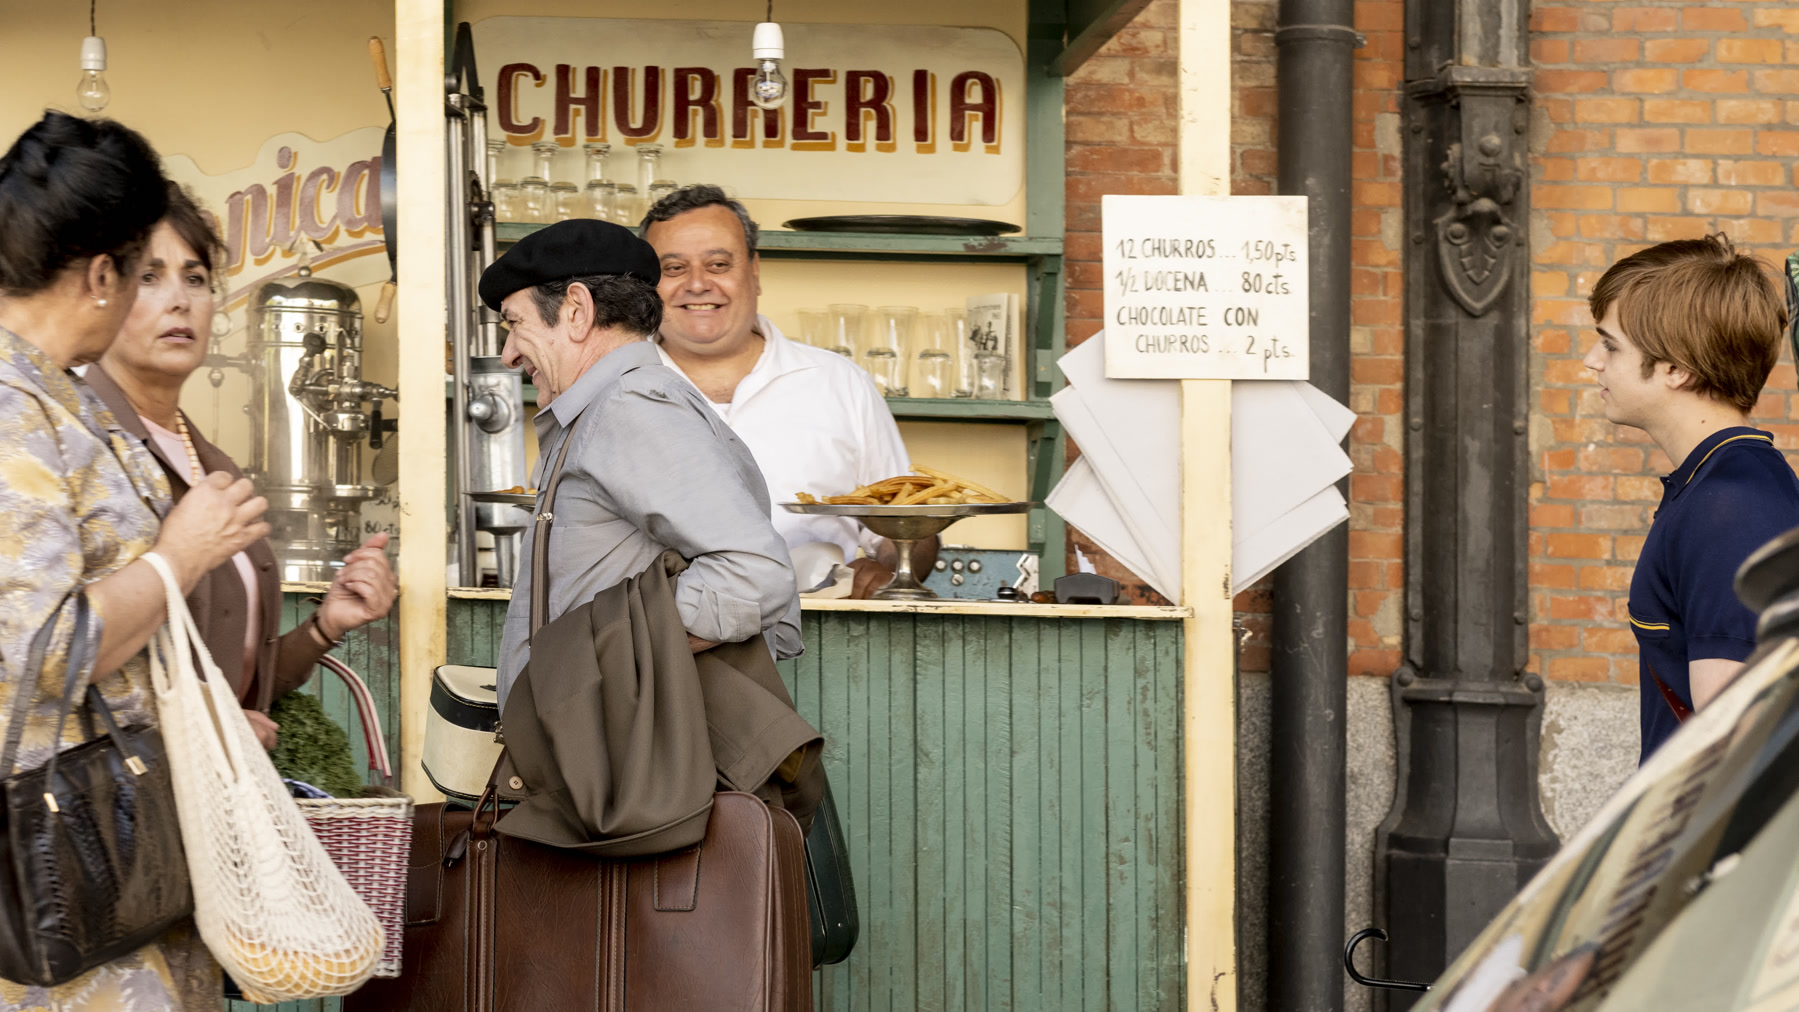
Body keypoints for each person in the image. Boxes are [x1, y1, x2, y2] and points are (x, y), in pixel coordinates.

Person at [0, 111, 269, 1009]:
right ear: (101, 275)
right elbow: (37, 653)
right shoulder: (10, 406)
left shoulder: (55, 391)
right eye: (142, 272)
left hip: (119, 860)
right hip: (65, 874)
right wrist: (179, 555)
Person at [85, 183, 397, 751]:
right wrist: (205, 729)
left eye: (195, 278)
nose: (179, 300)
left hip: (205, 798)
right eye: (149, 276)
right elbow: (49, 664)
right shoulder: (80, 444)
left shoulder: (212, 464)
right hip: (115, 801)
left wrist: (325, 626)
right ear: (101, 291)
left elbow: (239, 685)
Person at [481, 218, 801, 707]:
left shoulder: (630, 407)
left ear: (576, 311)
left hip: (616, 743)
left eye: (514, 323)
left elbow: (754, 574)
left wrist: (599, 662)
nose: (508, 355)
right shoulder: (607, 407)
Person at [640, 185, 936, 598]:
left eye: (718, 264)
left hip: (820, 626)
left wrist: (888, 569)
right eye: (673, 268)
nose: (698, 284)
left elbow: (908, 527)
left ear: (754, 271)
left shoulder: (839, 383)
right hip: (653, 628)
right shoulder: (612, 389)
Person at [1582, 233, 1799, 761]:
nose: (1592, 361)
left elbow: (1739, 749)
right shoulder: (1718, 483)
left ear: (1677, 368)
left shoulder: (1734, 506)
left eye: (1611, 345)